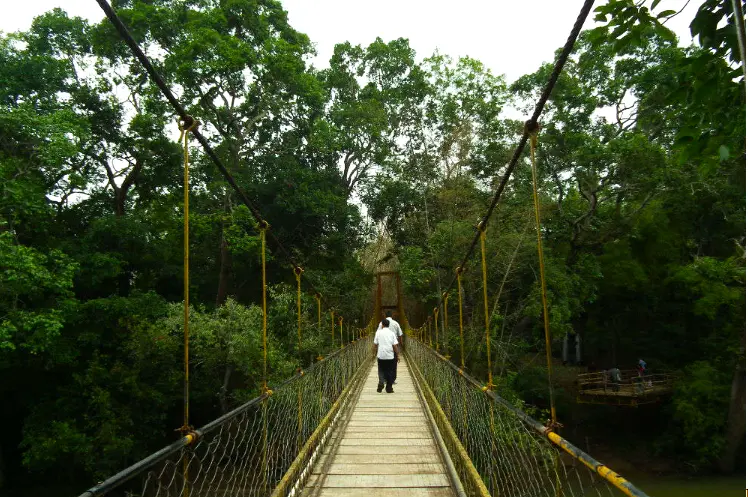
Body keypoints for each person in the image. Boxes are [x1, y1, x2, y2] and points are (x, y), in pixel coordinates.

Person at [373, 318, 399, 393]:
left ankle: (381, 382)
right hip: (390, 355)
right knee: (390, 371)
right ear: (388, 325)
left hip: (381, 355)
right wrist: (397, 355)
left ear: (382, 325)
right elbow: (395, 346)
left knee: (381, 370)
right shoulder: (392, 333)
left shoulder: (378, 333)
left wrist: (373, 353)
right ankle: (389, 388)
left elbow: (375, 344)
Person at [377, 310, 403, 382]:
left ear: (385, 315)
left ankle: (385, 378)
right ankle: (392, 379)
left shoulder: (381, 323)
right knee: (393, 363)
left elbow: (378, 333)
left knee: (384, 363)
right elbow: (400, 335)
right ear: (392, 315)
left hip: (384, 346)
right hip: (394, 345)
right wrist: (401, 344)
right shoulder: (396, 323)